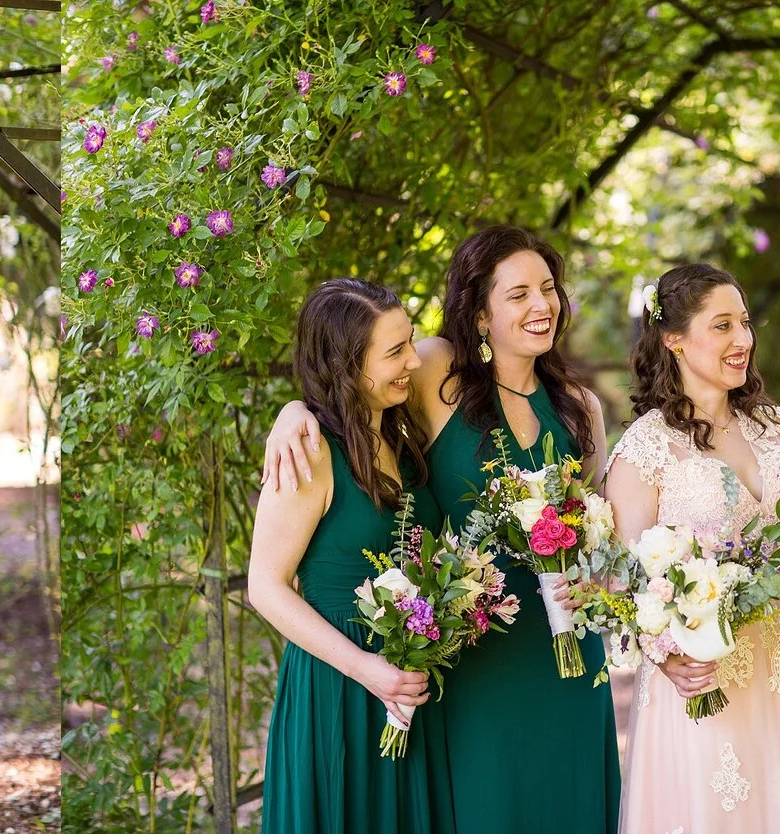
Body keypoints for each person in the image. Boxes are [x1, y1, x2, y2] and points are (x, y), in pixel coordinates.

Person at [259, 226, 618, 832]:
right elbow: (344, 385)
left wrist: (594, 579)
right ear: (479, 314)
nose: (542, 305)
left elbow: (599, 534)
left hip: (568, 651)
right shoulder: (431, 368)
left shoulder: (580, 407)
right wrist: (290, 414)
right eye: (519, 293)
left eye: (549, 289)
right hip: (475, 656)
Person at [606, 264, 780, 834]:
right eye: (723, 325)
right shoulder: (644, 448)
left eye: (746, 324)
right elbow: (628, 586)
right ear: (673, 339)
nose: (743, 340)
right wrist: (666, 655)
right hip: (701, 679)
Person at [250, 278, 452, 833]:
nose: (414, 359)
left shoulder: (401, 438)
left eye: (409, 341)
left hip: (407, 680)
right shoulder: (309, 452)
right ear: (346, 365)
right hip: (340, 684)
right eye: (395, 352)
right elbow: (264, 586)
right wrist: (368, 670)